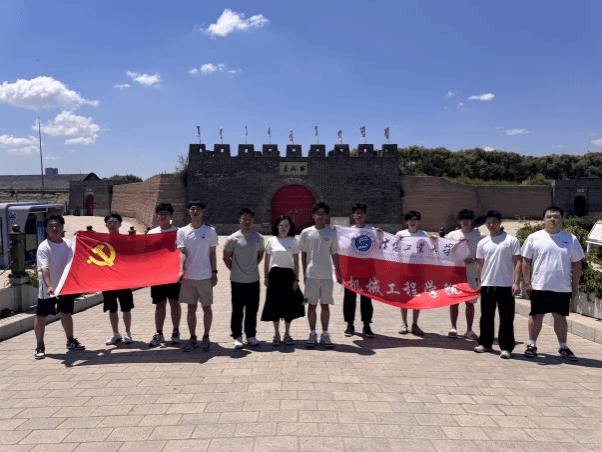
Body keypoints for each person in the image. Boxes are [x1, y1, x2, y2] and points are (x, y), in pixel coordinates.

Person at [521, 206, 584, 361]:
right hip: (539, 285)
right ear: (543, 219)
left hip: (562, 287)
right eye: (549, 217)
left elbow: (577, 264)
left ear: (562, 219)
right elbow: (526, 261)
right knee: (536, 316)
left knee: (560, 317)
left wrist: (574, 286)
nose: (552, 219)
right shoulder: (534, 237)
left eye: (556, 217)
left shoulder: (571, 239)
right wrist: (527, 282)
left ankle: (563, 347)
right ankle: (531, 345)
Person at [34, 215, 85, 359]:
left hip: (65, 287)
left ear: (62, 228)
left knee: (66, 313)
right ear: (46, 229)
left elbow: (78, 260)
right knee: (41, 317)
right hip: (48, 289)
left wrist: (79, 238)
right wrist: (49, 286)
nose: (54, 228)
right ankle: (40, 345)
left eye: (57, 225)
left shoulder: (68, 244)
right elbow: (44, 269)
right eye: (51, 226)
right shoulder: (44, 247)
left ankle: (70, 340)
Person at [474, 211, 521, 359]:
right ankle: (485, 344)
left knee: (506, 317)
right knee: (486, 316)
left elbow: (518, 262)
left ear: (500, 222)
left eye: (494, 222)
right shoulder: (483, 242)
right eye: (488, 222)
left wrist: (516, 282)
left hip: (506, 285)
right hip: (488, 284)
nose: (491, 225)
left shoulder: (511, 240)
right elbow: (480, 264)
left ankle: (506, 347)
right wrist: (480, 282)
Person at [299, 202, 342, 349]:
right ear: (313, 215)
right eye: (318, 213)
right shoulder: (306, 233)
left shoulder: (331, 233)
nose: (320, 216)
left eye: (323, 214)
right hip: (311, 275)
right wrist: (304, 273)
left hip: (326, 275)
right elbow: (303, 255)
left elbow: (334, 253)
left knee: (325, 305)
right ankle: (312, 333)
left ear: (326, 216)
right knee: (311, 305)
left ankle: (325, 333)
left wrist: (338, 272)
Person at [177, 201, 218, 352]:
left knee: (206, 307)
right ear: (189, 211)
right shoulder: (182, 231)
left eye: (198, 209)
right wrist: (181, 270)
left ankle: (206, 337)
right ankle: (193, 337)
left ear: (202, 212)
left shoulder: (210, 231)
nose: (195, 212)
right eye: (192, 209)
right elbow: (182, 252)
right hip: (189, 276)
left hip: (205, 275)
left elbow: (212, 254)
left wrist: (214, 272)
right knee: (191, 308)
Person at [223, 208, 265, 349]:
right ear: (240, 221)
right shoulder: (233, 238)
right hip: (237, 280)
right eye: (244, 219)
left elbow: (260, 255)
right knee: (237, 309)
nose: (247, 222)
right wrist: (235, 270)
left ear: (253, 221)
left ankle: (251, 335)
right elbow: (226, 257)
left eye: (249, 219)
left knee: (252, 309)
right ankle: (237, 336)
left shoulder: (258, 238)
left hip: (253, 279)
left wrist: (251, 267)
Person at [261, 215, 304, 346]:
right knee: (274, 305)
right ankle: (276, 334)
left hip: (288, 276)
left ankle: (287, 334)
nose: (283, 228)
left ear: (290, 227)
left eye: (286, 225)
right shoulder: (271, 241)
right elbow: (266, 261)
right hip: (274, 276)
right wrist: (266, 277)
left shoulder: (293, 241)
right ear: (277, 227)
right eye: (281, 225)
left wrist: (296, 279)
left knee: (288, 305)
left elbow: (296, 263)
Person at [445, 209, 484, 340]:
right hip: (455, 274)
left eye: (468, 219)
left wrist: (474, 260)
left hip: (472, 273)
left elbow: (485, 255)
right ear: (459, 221)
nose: (465, 222)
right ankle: (453, 327)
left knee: (470, 303)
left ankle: (469, 329)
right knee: (454, 302)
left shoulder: (480, 236)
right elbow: (443, 250)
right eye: (462, 219)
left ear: (472, 220)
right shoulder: (451, 235)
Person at [148, 203, 182, 347]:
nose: (163, 216)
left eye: (166, 214)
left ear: (171, 216)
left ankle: (176, 331)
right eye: (160, 214)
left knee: (174, 302)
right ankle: (159, 333)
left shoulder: (178, 232)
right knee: (159, 304)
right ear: (157, 216)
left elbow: (183, 252)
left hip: (174, 274)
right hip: (158, 275)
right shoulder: (151, 233)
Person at [343, 203, 375, 338]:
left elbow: (380, 246)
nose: (359, 215)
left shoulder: (372, 231)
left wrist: (380, 235)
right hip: (351, 270)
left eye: (361, 213)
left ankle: (366, 325)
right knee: (349, 298)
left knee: (366, 298)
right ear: (353, 215)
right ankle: (350, 324)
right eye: (357, 213)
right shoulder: (347, 232)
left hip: (367, 270)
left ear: (365, 215)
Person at [103, 213, 135, 346]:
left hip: (123, 279)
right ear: (106, 225)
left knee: (126, 308)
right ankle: (116, 333)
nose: (112, 225)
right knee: (112, 309)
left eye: (115, 222)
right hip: (108, 280)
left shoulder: (126, 240)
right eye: (109, 222)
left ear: (120, 224)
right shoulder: (102, 241)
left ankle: (128, 333)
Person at [395, 210, 427, 336]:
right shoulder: (400, 234)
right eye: (410, 220)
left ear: (418, 222)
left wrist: (435, 240)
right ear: (406, 221)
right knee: (404, 296)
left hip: (419, 269)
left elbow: (430, 249)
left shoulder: (423, 234)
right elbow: (393, 249)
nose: (413, 222)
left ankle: (415, 324)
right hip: (404, 269)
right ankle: (404, 323)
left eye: (415, 220)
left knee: (417, 297)